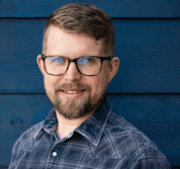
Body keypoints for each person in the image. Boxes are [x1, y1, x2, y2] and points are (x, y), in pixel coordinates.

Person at [9, 3, 171, 169]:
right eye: (58, 60)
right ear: (42, 66)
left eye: (86, 61)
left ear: (111, 69)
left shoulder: (138, 158)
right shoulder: (25, 145)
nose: (71, 77)